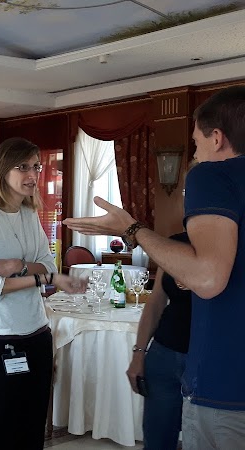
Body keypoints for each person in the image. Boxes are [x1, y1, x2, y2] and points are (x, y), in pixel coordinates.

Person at [64, 85, 245, 449]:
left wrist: (131, 229)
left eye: (196, 143)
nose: (195, 154)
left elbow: (208, 277)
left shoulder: (213, 175)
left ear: (217, 138)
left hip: (226, 385)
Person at [0, 137, 86, 450]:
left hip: (37, 336)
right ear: (3, 170)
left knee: (31, 432)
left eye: (36, 167)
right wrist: (39, 277)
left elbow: (49, 264)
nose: (33, 175)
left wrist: (14, 266)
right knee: (0, 434)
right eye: (23, 167)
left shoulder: (29, 212)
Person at [126, 232, 191, 450]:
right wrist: (138, 354)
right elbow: (155, 302)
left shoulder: (232, 243)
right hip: (164, 354)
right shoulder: (174, 242)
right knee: (157, 441)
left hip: (210, 359)